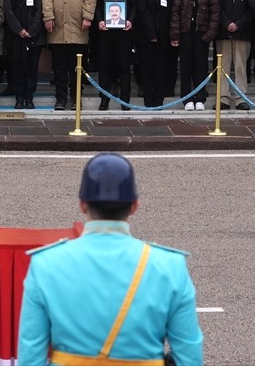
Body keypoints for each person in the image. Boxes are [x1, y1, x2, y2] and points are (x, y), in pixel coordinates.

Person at [17, 153, 203, 365]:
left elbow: (30, 358)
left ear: (82, 205)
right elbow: (189, 357)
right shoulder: (170, 265)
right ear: (134, 206)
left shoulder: (45, 264)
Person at [41, 0, 97, 111]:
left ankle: (76, 98)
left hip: (78, 25)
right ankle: (61, 98)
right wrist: (48, 16)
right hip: (57, 25)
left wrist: (88, 16)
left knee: (77, 67)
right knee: (59, 67)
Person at [171, 0, 219, 110]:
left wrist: (209, 35)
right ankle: (187, 99)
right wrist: (175, 34)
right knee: (185, 68)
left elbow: (215, 15)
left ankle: (200, 98)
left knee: (200, 67)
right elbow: (175, 13)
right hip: (186, 34)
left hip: (201, 35)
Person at [133, 0, 174, 108]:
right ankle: (148, 100)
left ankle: (159, 100)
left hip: (163, 38)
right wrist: (151, 33)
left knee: (161, 70)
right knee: (147, 70)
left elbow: (169, 15)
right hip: (146, 38)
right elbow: (143, 13)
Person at [216, 0, 254, 110]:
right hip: (223, 33)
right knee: (222, 67)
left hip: (243, 33)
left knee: (240, 66)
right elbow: (217, 8)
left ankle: (240, 98)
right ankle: (223, 98)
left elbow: (252, 10)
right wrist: (226, 24)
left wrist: (238, 24)